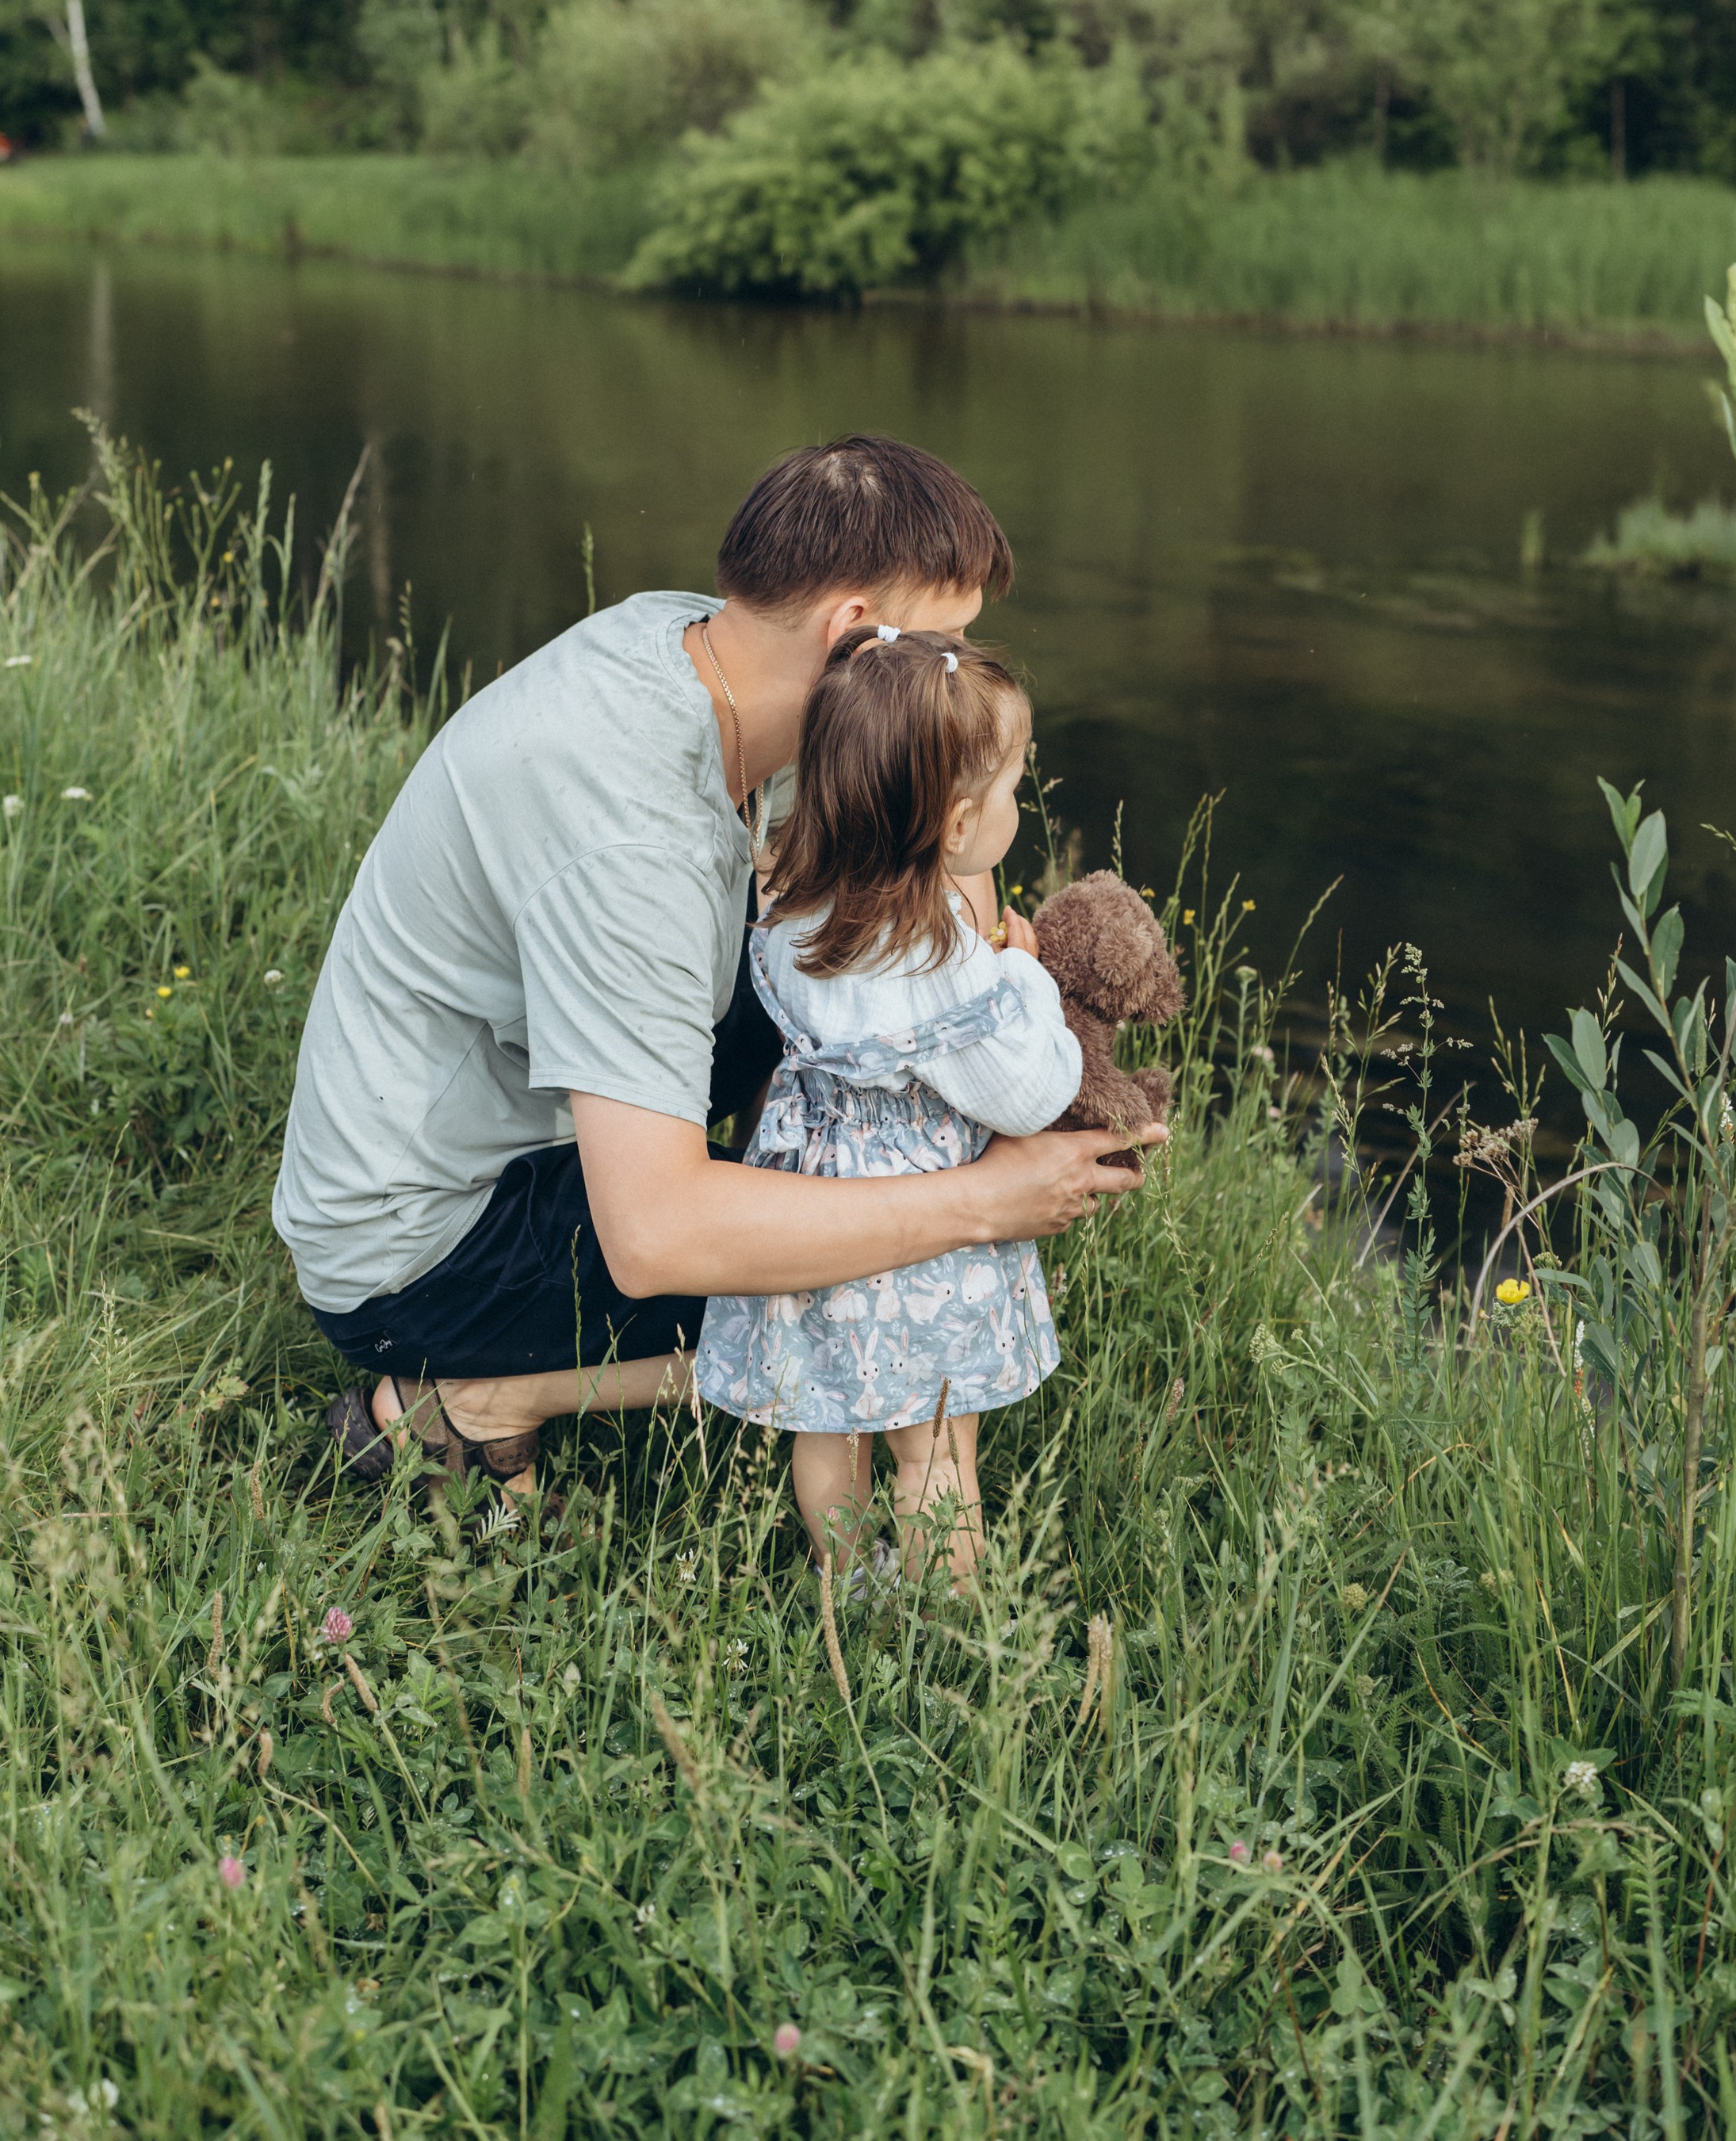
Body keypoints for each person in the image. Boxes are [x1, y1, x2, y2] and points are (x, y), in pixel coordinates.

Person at [274, 434, 1155, 1516]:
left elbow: (922, 880)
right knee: (908, 1280)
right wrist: (984, 1200)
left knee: (905, 1179)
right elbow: (656, 1240)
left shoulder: (712, 648)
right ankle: (467, 1400)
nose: (962, 681)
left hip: (544, 1126)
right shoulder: (632, 833)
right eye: (951, 646)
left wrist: (988, 1015)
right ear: (853, 633)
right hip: (428, 1246)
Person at [696, 626, 1079, 1583]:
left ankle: (849, 1581)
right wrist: (1024, 976)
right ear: (953, 826)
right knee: (936, 1447)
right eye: (1014, 790)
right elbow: (1030, 1095)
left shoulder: (793, 907)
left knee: (830, 1426)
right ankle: (936, 1621)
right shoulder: (945, 957)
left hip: (816, 1214)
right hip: (918, 1237)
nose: (1021, 806)